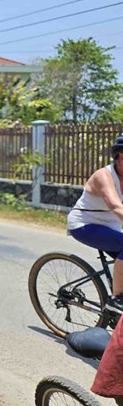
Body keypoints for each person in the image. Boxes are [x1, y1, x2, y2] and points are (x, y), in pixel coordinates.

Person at [67, 135, 123, 315]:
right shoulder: (104, 176)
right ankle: (116, 300)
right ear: (120, 157)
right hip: (85, 224)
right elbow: (115, 205)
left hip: (111, 227)